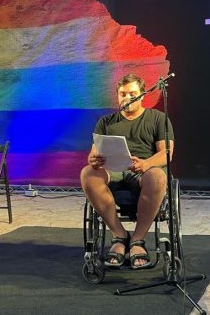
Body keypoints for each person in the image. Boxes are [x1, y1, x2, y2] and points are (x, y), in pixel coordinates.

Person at [80, 73, 173, 270]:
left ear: (142, 95)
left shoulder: (158, 118)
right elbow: (93, 153)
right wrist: (93, 159)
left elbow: (166, 153)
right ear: (117, 95)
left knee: (158, 176)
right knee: (88, 173)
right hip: (112, 170)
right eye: (123, 94)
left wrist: (146, 164)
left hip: (143, 171)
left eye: (132, 93)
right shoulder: (106, 122)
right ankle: (119, 235)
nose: (127, 98)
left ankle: (138, 240)